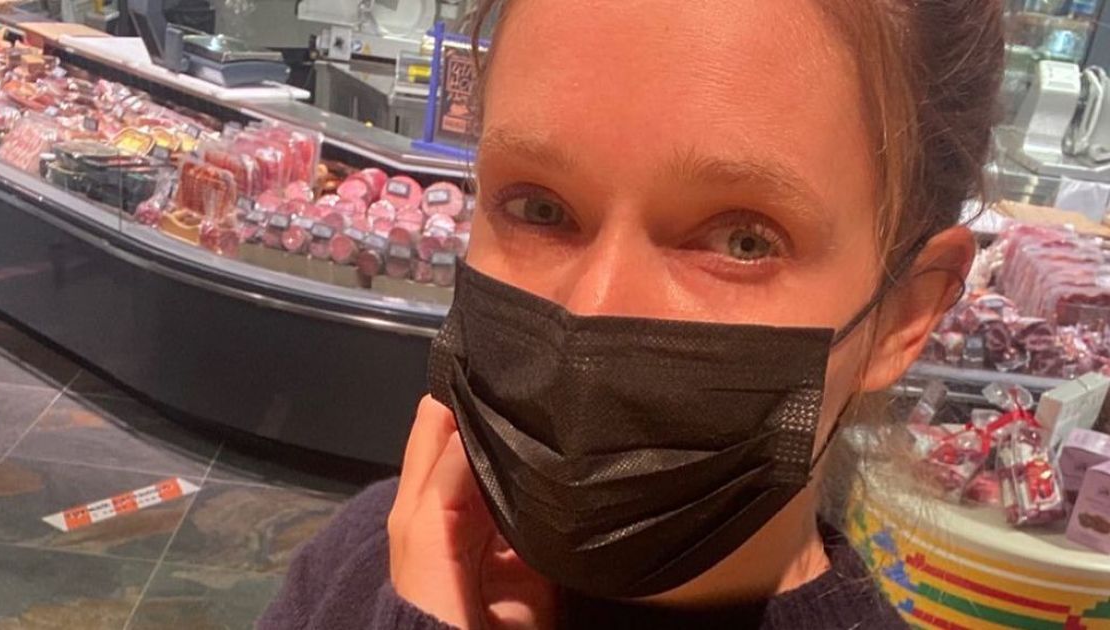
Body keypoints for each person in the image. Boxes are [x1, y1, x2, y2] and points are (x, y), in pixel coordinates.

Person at [260, 0, 1004, 627]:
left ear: (905, 312)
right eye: (538, 207)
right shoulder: (364, 556)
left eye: (743, 239)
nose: (592, 309)